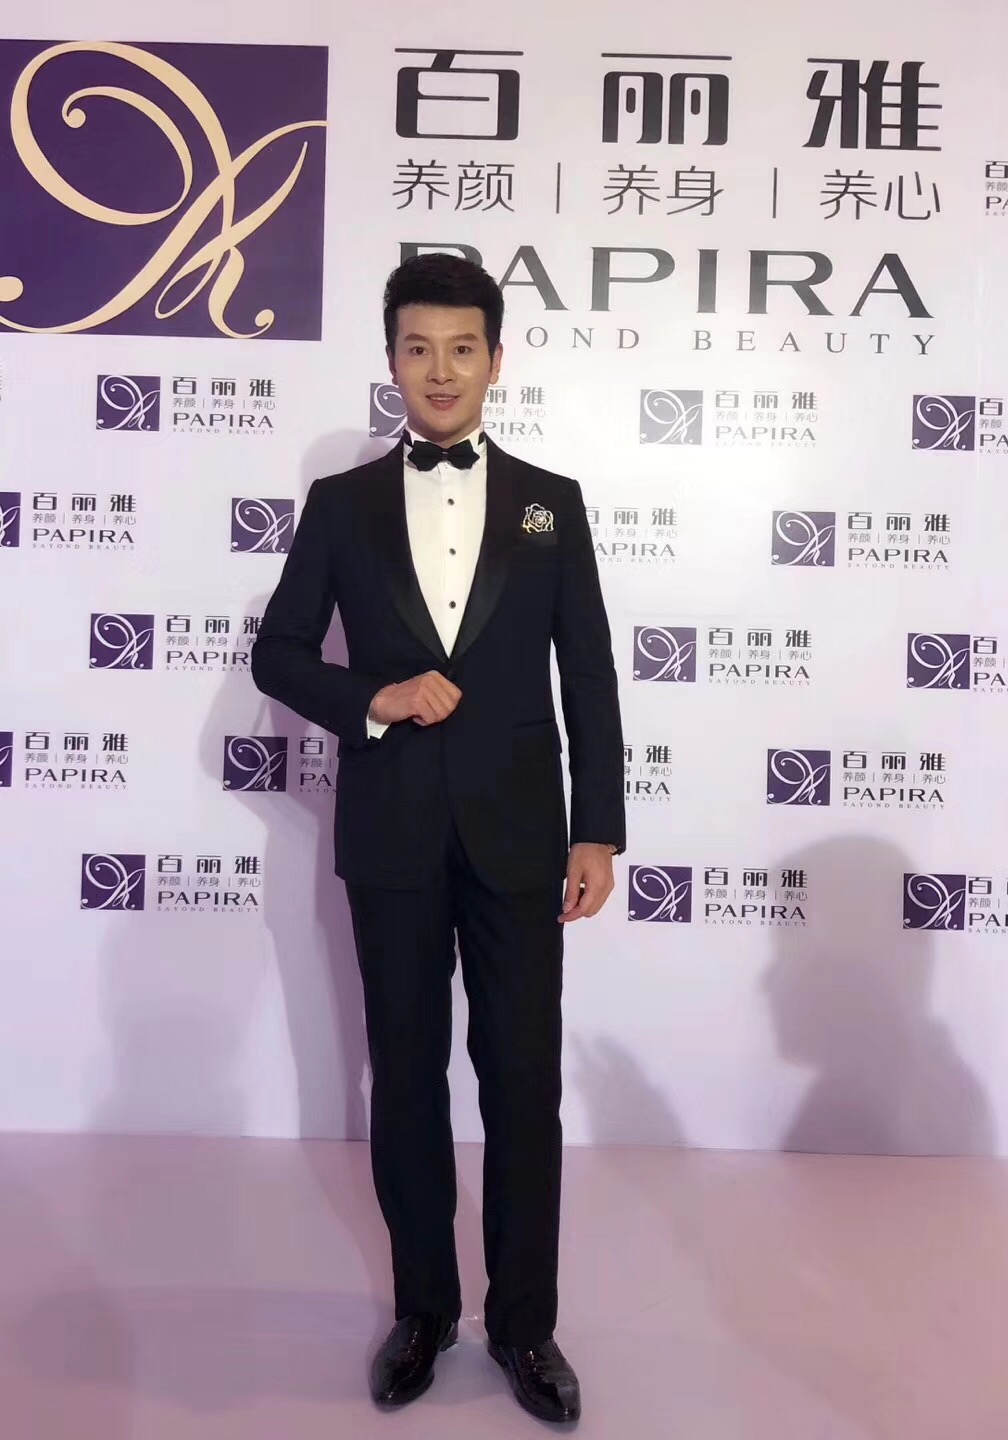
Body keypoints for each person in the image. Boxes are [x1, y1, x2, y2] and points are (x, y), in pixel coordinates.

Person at [251, 253, 625, 1423]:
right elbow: (278, 655)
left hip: (521, 839)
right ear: (392, 362)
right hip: (394, 833)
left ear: (495, 360)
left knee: (521, 1082)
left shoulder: (551, 502)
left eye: (463, 348)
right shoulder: (342, 505)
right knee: (406, 1079)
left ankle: (524, 1327)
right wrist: (375, 696)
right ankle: (421, 1312)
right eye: (418, 349)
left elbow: (589, 677)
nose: (441, 370)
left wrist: (598, 831)